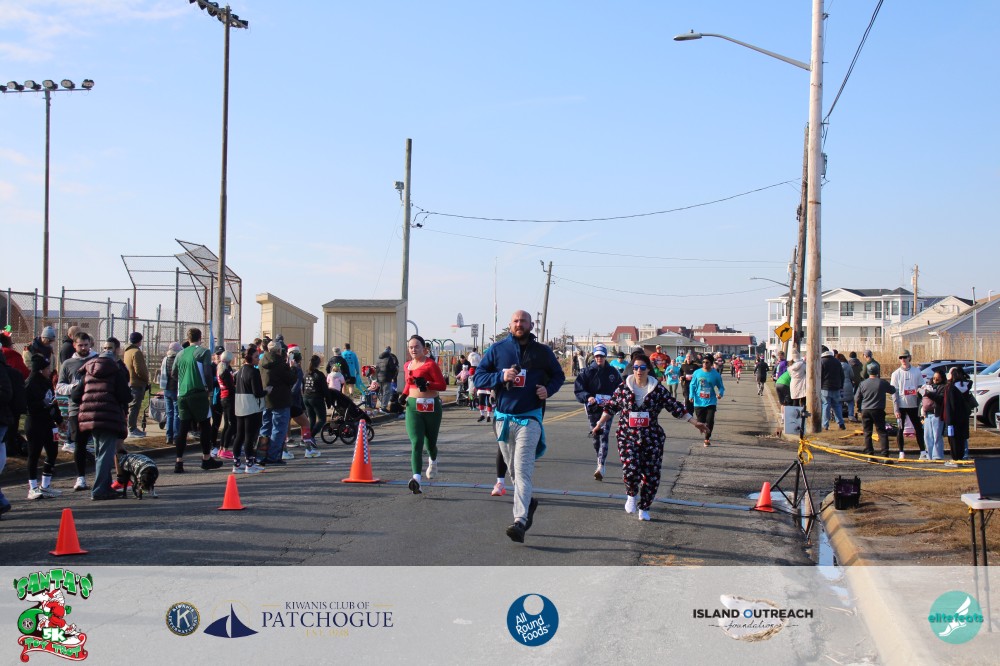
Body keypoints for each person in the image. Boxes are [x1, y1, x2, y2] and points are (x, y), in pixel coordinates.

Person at [474, 311, 564, 543]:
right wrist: (501, 376)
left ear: (531, 325)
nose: (519, 324)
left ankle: (520, 521)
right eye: (515, 321)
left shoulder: (542, 352)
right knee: (513, 471)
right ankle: (528, 503)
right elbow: (478, 378)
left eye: (523, 321)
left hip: (530, 418)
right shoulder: (498, 349)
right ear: (510, 325)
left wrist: (548, 390)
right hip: (503, 419)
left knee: (522, 469)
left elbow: (559, 375)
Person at [591, 352, 707, 521]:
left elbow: (675, 407)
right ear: (632, 369)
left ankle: (644, 507)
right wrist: (599, 424)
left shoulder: (657, 389)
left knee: (651, 475)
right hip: (627, 436)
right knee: (631, 469)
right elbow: (610, 408)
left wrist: (695, 422)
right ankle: (631, 495)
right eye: (636, 367)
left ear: (648, 370)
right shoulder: (623, 388)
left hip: (651, 437)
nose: (639, 371)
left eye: (643, 367)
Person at [71, 342, 131, 499]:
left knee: (100, 453)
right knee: (105, 454)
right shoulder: (116, 372)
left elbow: (75, 396)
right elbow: (125, 396)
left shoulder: (88, 372)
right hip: (109, 417)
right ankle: (100, 489)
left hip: (90, 417)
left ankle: (105, 486)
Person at [170, 328, 223, 473]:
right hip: (198, 392)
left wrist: (183, 381)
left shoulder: (180, 354)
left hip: (182, 394)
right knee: (205, 425)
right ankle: (206, 459)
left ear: (188, 338)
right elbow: (207, 372)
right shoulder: (203, 352)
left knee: (183, 427)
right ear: (200, 337)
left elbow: (173, 373)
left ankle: (179, 462)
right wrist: (209, 389)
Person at [401, 335, 448, 493]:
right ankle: (416, 479)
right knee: (416, 442)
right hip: (413, 407)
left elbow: (442, 385)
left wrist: (427, 384)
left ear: (424, 349)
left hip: (431, 407)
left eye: (417, 347)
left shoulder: (430, 364)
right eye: (411, 347)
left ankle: (433, 460)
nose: (413, 349)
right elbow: (409, 384)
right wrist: (402, 396)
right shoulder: (407, 365)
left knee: (430, 443)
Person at [55, 331, 97, 490]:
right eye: (80, 345)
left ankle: (102, 476)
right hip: (76, 409)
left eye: (86, 345)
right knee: (79, 444)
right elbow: (59, 387)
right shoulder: (68, 364)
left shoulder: (97, 359)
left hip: (95, 407)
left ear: (90, 344)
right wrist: (74, 387)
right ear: (74, 345)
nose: (84, 348)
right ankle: (80, 478)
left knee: (99, 443)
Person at [573, 343, 622, 481]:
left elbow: (620, 389)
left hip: (608, 409)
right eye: (597, 356)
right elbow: (578, 389)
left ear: (605, 356)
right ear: (594, 356)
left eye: (602, 356)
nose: (599, 358)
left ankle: (601, 465)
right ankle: (599, 457)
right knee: (596, 436)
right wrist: (588, 397)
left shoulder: (613, 372)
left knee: (604, 435)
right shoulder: (587, 372)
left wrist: (615, 401)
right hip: (593, 408)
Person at [24, 355, 61, 499]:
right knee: (34, 454)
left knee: (52, 452)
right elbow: (28, 406)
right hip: (35, 423)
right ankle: (32, 487)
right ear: (40, 370)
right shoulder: (30, 383)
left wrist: (59, 420)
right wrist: (45, 404)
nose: (49, 370)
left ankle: (45, 486)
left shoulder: (46, 382)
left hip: (49, 423)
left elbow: (53, 402)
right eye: (47, 368)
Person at [258, 339, 295, 465]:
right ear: (279, 351)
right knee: (279, 429)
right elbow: (291, 379)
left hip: (266, 398)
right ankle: (273, 456)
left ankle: (261, 455)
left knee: (265, 427)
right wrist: (292, 368)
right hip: (281, 399)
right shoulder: (280, 364)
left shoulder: (262, 361)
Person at [232, 345, 266, 474]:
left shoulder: (240, 371)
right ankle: (249, 464)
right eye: (256, 357)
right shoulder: (253, 372)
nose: (258, 359)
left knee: (239, 435)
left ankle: (236, 464)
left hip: (239, 405)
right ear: (250, 358)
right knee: (249, 436)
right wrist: (266, 391)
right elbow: (257, 392)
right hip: (251, 406)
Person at [889, 349, 927, 460]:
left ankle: (923, 452)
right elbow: (894, 393)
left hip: (914, 405)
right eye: (901, 358)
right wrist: (896, 409)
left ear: (909, 357)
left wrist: (921, 404)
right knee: (900, 429)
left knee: (918, 428)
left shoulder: (916, 371)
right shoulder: (896, 374)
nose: (903, 360)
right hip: (901, 405)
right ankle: (901, 452)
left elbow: (922, 387)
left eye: (905, 357)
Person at [855, 363, 897, 461]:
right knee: (882, 432)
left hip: (865, 410)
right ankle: (885, 456)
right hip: (878, 409)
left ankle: (870, 455)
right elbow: (892, 390)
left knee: (867, 433)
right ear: (878, 371)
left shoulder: (863, 383)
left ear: (868, 372)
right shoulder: (882, 383)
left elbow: (857, 398)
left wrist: (859, 407)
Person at [287, 347, 320, 458]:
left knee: (283, 426)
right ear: (299, 360)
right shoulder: (298, 370)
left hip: (284, 401)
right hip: (294, 402)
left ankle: (283, 451)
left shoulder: (287, 368)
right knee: (306, 424)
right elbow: (296, 387)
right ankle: (308, 449)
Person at [689, 354, 725, 447]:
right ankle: (703, 428)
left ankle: (707, 438)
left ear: (711, 363)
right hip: (698, 401)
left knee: (710, 421)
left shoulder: (715, 374)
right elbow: (692, 385)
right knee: (700, 422)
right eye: (703, 362)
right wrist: (691, 395)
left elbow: (721, 387)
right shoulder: (697, 373)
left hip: (711, 401)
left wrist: (720, 394)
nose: (704, 364)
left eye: (707, 362)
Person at [943, 367, 974, 467]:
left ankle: (955, 459)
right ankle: (960, 458)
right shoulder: (966, 385)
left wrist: (949, 420)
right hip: (963, 417)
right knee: (961, 439)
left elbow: (950, 405)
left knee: (953, 440)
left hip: (953, 418)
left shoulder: (951, 388)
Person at [122, 332, 149, 438]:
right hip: (137, 382)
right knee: (135, 406)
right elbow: (139, 369)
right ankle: (132, 429)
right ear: (139, 340)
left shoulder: (127, 351)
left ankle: (130, 427)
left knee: (132, 406)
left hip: (130, 381)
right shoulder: (136, 352)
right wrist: (146, 379)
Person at [158, 342, 183, 446]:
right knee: (177, 413)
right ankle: (176, 436)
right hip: (175, 389)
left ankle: (169, 436)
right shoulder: (178, 359)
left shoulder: (165, 359)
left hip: (166, 388)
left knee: (169, 413)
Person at [919, 370, 946, 461]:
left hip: (937, 414)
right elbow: (921, 398)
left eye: (937, 379)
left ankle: (937, 456)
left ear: (942, 378)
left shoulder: (943, 387)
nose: (935, 380)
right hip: (927, 415)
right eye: (934, 378)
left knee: (937, 436)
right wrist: (920, 392)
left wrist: (929, 393)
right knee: (927, 437)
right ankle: (929, 456)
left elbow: (940, 399)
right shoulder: (929, 386)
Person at [215, 351, 237, 460]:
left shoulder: (220, 369)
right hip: (228, 398)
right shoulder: (225, 372)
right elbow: (230, 386)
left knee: (227, 425)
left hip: (223, 397)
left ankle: (221, 448)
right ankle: (225, 449)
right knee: (231, 424)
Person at [303, 355, 328, 446]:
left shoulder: (306, 373)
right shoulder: (319, 375)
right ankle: (310, 436)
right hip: (316, 398)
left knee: (312, 419)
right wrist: (329, 400)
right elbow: (325, 390)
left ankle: (307, 438)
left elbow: (303, 386)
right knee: (322, 419)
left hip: (306, 397)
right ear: (319, 363)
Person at [820, 346, 845, 430]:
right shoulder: (837, 361)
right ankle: (841, 423)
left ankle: (825, 425)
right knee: (836, 405)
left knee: (826, 405)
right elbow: (842, 375)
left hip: (825, 387)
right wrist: (841, 386)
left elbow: (820, 375)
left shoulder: (821, 361)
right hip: (836, 387)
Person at [376, 346, 399, 413]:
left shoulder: (379, 358)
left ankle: (382, 405)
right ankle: (383, 407)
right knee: (387, 392)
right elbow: (393, 368)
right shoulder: (389, 358)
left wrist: (377, 377)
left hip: (379, 377)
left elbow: (377, 368)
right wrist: (392, 376)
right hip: (387, 377)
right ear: (389, 351)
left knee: (381, 392)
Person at [838, 353, 856, 423]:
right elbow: (852, 376)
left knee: (839, 402)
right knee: (850, 401)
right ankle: (851, 415)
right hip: (848, 385)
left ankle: (839, 417)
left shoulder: (837, 366)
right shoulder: (848, 366)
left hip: (839, 385)